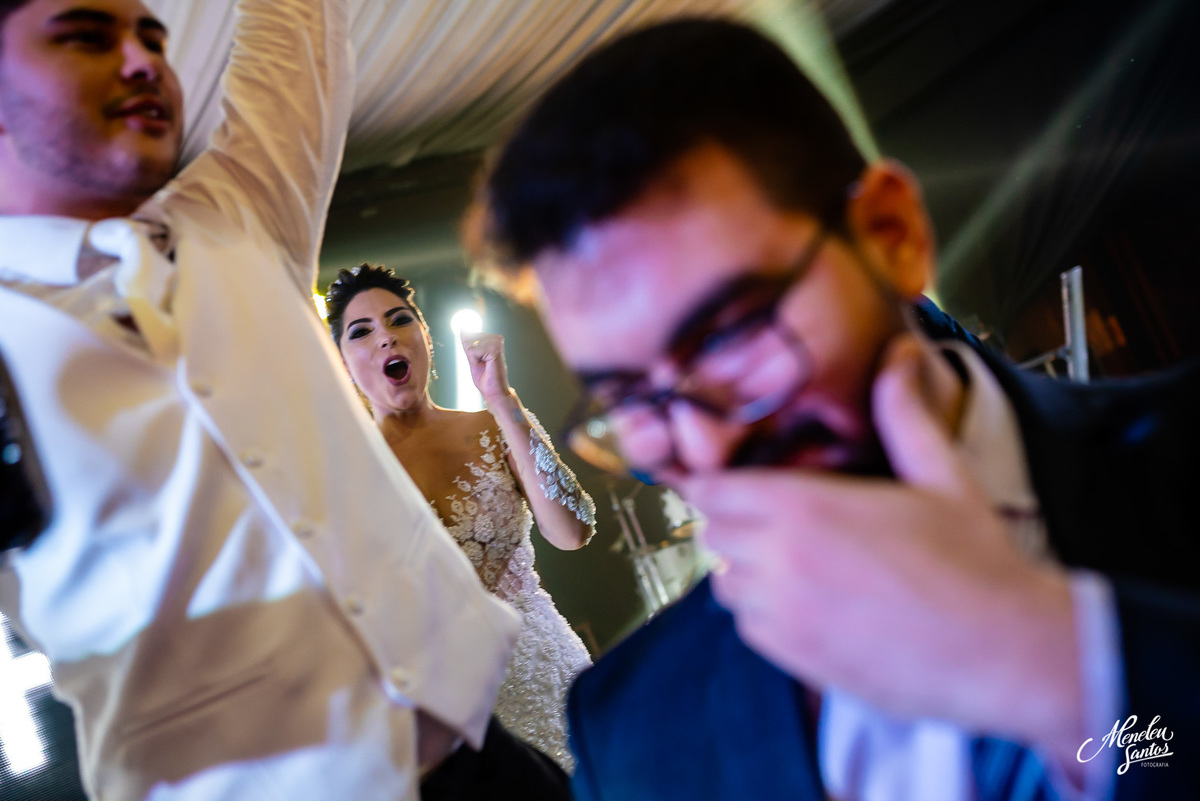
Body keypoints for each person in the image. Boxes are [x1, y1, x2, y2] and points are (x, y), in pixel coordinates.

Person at [480, 17, 1200, 801]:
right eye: (631, 398)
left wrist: (1044, 656)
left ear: (891, 236)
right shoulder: (634, 723)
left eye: (733, 334)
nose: (710, 443)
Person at [0, 1, 569, 799]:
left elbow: (297, 23)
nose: (141, 61)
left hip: (487, 760)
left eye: (152, 38)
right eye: (89, 37)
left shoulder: (237, 210)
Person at [322, 262, 595, 772]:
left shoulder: (494, 425)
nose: (386, 338)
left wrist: (500, 398)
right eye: (362, 332)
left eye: (399, 320)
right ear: (341, 363)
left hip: (544, 668)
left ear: (426, 337)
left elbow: (572, 531)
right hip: (445, 701)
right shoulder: (343, 471)